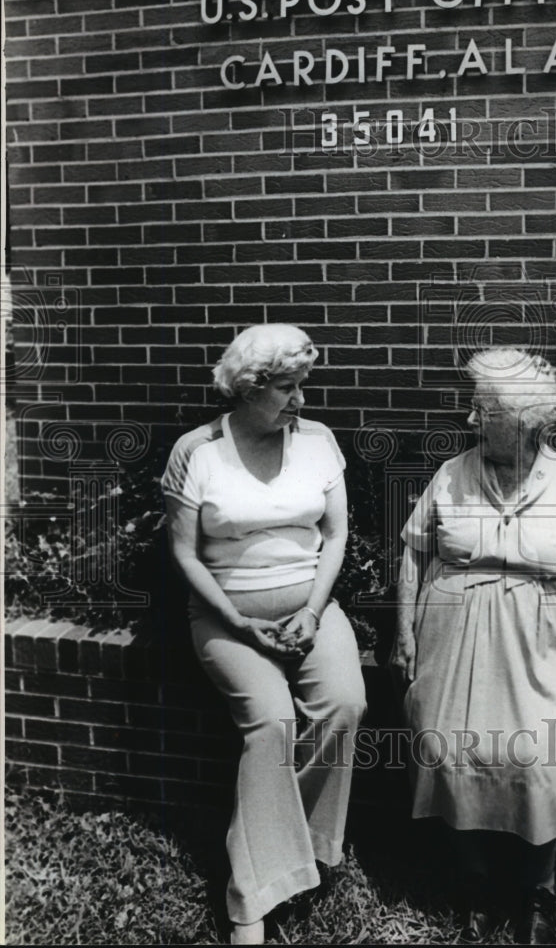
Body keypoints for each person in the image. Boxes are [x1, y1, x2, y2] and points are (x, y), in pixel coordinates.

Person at [390, 347, 556, 945]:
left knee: (540, 760)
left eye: (482, 410)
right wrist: (404, 629)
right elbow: (413, 551)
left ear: (524, 423)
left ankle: (539, 888)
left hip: (537, 649)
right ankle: (477, 887)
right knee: (449, 753)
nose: (470, 420)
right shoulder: (451, 474)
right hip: (452, 643)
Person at [161, 323, 366, 946]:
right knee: (272, 723)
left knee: (345, 704)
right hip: (226, 616)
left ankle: (295, 852)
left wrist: (311, 611)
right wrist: (238, 621)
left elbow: (334, 537)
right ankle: (251, 898)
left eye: (303, 386)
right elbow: (186, 555)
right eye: (288, 388)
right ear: (250, 388)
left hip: (310, 605)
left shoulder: (318, 442)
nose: (301, 400)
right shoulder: (196, 450)